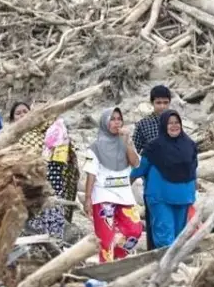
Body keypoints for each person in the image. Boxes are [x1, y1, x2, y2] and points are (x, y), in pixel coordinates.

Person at [9, 102, 80, 239]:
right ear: (12, 120)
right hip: (25, 181)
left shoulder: (46, 132)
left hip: (49, 179)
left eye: (25, 111)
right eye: (18, 113)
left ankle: (56, 238)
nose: (23, 115)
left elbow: (62, 152)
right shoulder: (11, 138)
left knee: (52, 208)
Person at [131, 110, 198, 249]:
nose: (174, 126)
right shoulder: (154, 147)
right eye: (170, 123)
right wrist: (125, 182)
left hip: (183, 198)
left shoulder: (190, 145)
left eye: (176, 122)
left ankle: (175, 267)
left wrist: (192, 195)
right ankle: (166, 268)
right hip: (160, 198)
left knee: (179, 237)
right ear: (163, 125)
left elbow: (193, 170)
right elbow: (140, 168)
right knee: (165, 237)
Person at [84, 107, 143, 262]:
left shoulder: (125, 142)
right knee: (106, 237)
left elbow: (136, 163)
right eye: (112, 119)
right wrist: (88, 198)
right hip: (103, 196)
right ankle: (107, 267)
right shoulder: (96, 147)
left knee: (135, 230)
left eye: (119, 119)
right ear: (105, 123)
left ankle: (119, 256)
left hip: (125, 195)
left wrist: (128, 143)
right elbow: (91, 173)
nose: (116, 122)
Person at [132, 85, 174, 250]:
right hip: (152, 179)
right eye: (158, 102)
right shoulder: (143, 125)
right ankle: (153, 251)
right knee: (154, 216)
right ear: (152, 103)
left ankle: (172, 250)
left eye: (165, 102)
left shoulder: (174, 122)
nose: (162, 106)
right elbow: (135, 151)